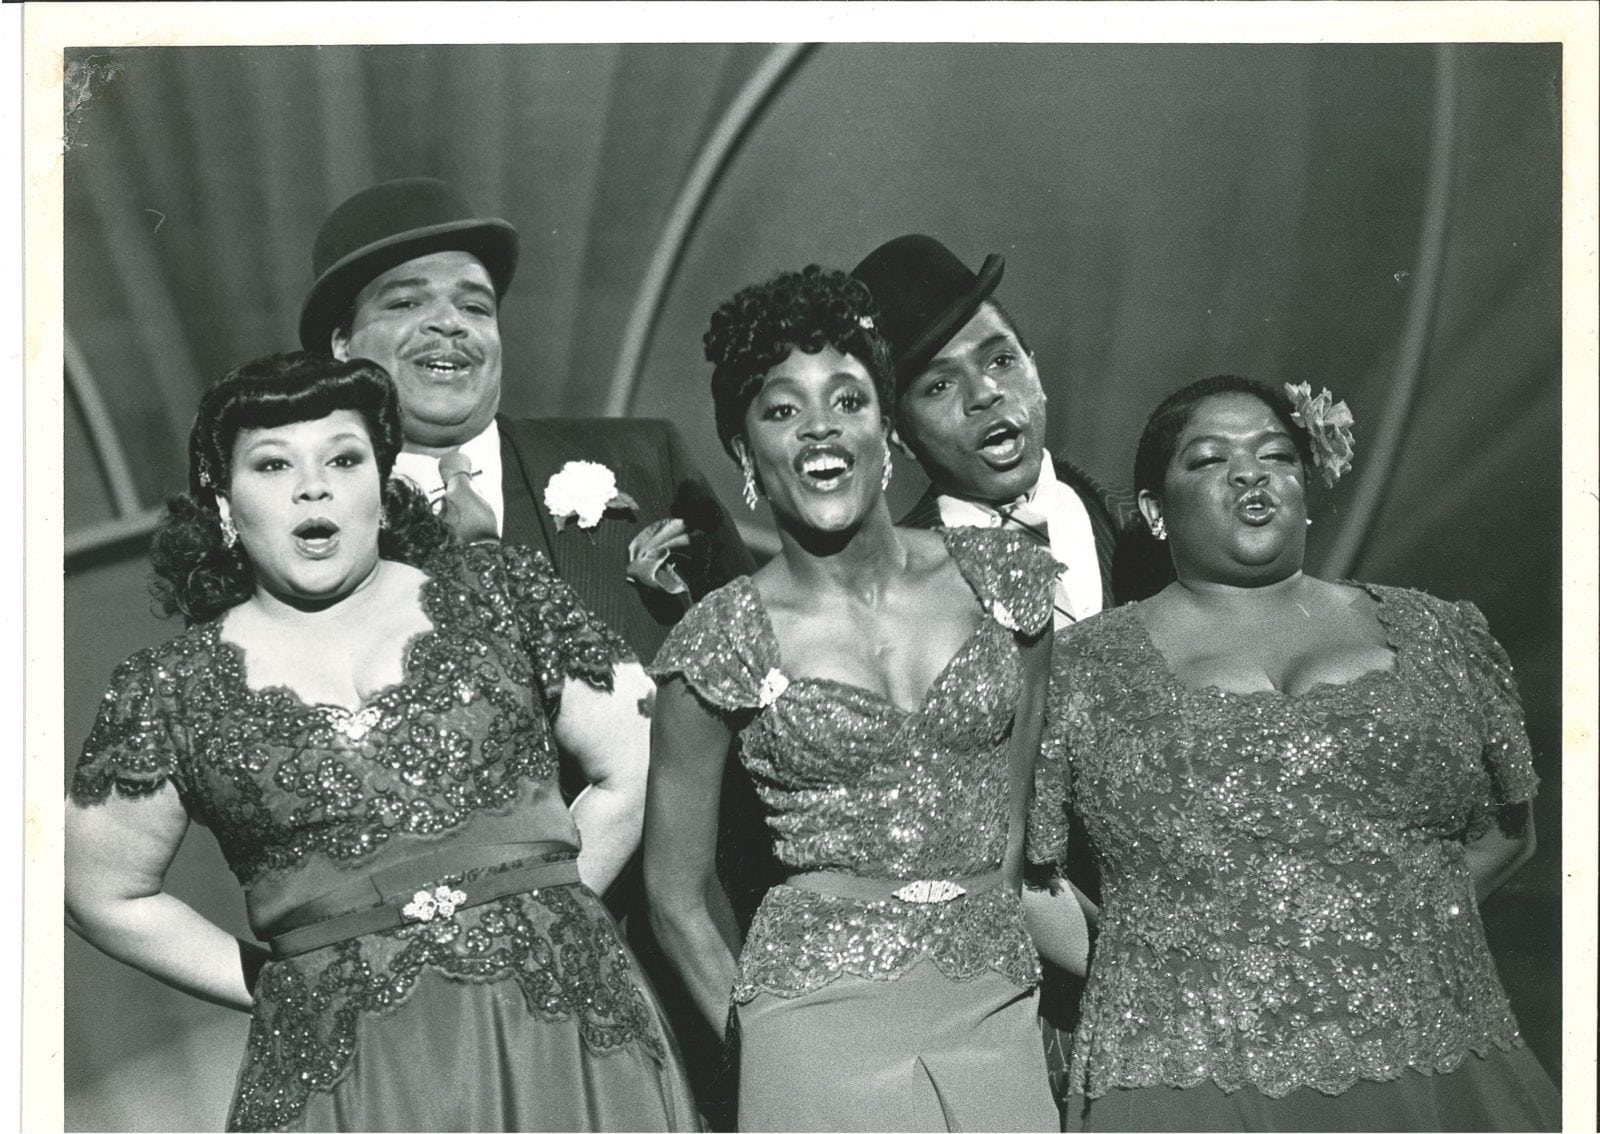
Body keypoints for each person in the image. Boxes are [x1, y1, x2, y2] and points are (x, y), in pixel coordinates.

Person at [65, 352, 699, 1132]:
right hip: (350, 1072)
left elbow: (634, 762)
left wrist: (554, 912)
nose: (313, 486)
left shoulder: (496, 591)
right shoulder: (171, 688)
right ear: (226, 504)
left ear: (381, 481)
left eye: (343, 458)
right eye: (272, 465)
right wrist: (276, 981)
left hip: (559, 1038)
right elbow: (101, 892)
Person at [300, 177, 762, 1121]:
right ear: (343, 347)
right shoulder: (312, 539)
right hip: (455, 1026)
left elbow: (768, 685)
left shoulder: (641, 463)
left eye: (475, 304)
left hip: (693, 982)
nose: (451, 326)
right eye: (408, 301)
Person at [1032, 373, 1560, 1131]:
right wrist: (1161, 970)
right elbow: (1020, 873)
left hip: (1428, 1053)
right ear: (1152, 510)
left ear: (1304, 485)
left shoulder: (1436, 632)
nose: (1249, 473)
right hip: (1185, 1072)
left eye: (1275, 454)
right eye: (1209, 460)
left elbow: (1508, 831)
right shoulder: (1079, 668)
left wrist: (1360, 942)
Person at [643, 266, 1060, 1132]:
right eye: (781, 410)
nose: (820, 430)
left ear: (889, 430)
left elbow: (1013, 825)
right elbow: (675, 895)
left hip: (992, 1004)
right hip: (811, 1025)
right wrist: (754, 1036)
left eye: (848, 399)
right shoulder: (719, 641)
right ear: (742, 452)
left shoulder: (1006, 583)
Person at [851, 233, 1159, 1089]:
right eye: (940, 386)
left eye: (1001, 361)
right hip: (1023, 1003)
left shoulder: (1118, 523)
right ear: (901, 438)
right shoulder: (905, 588)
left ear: (1037, 367)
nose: (987, 397)